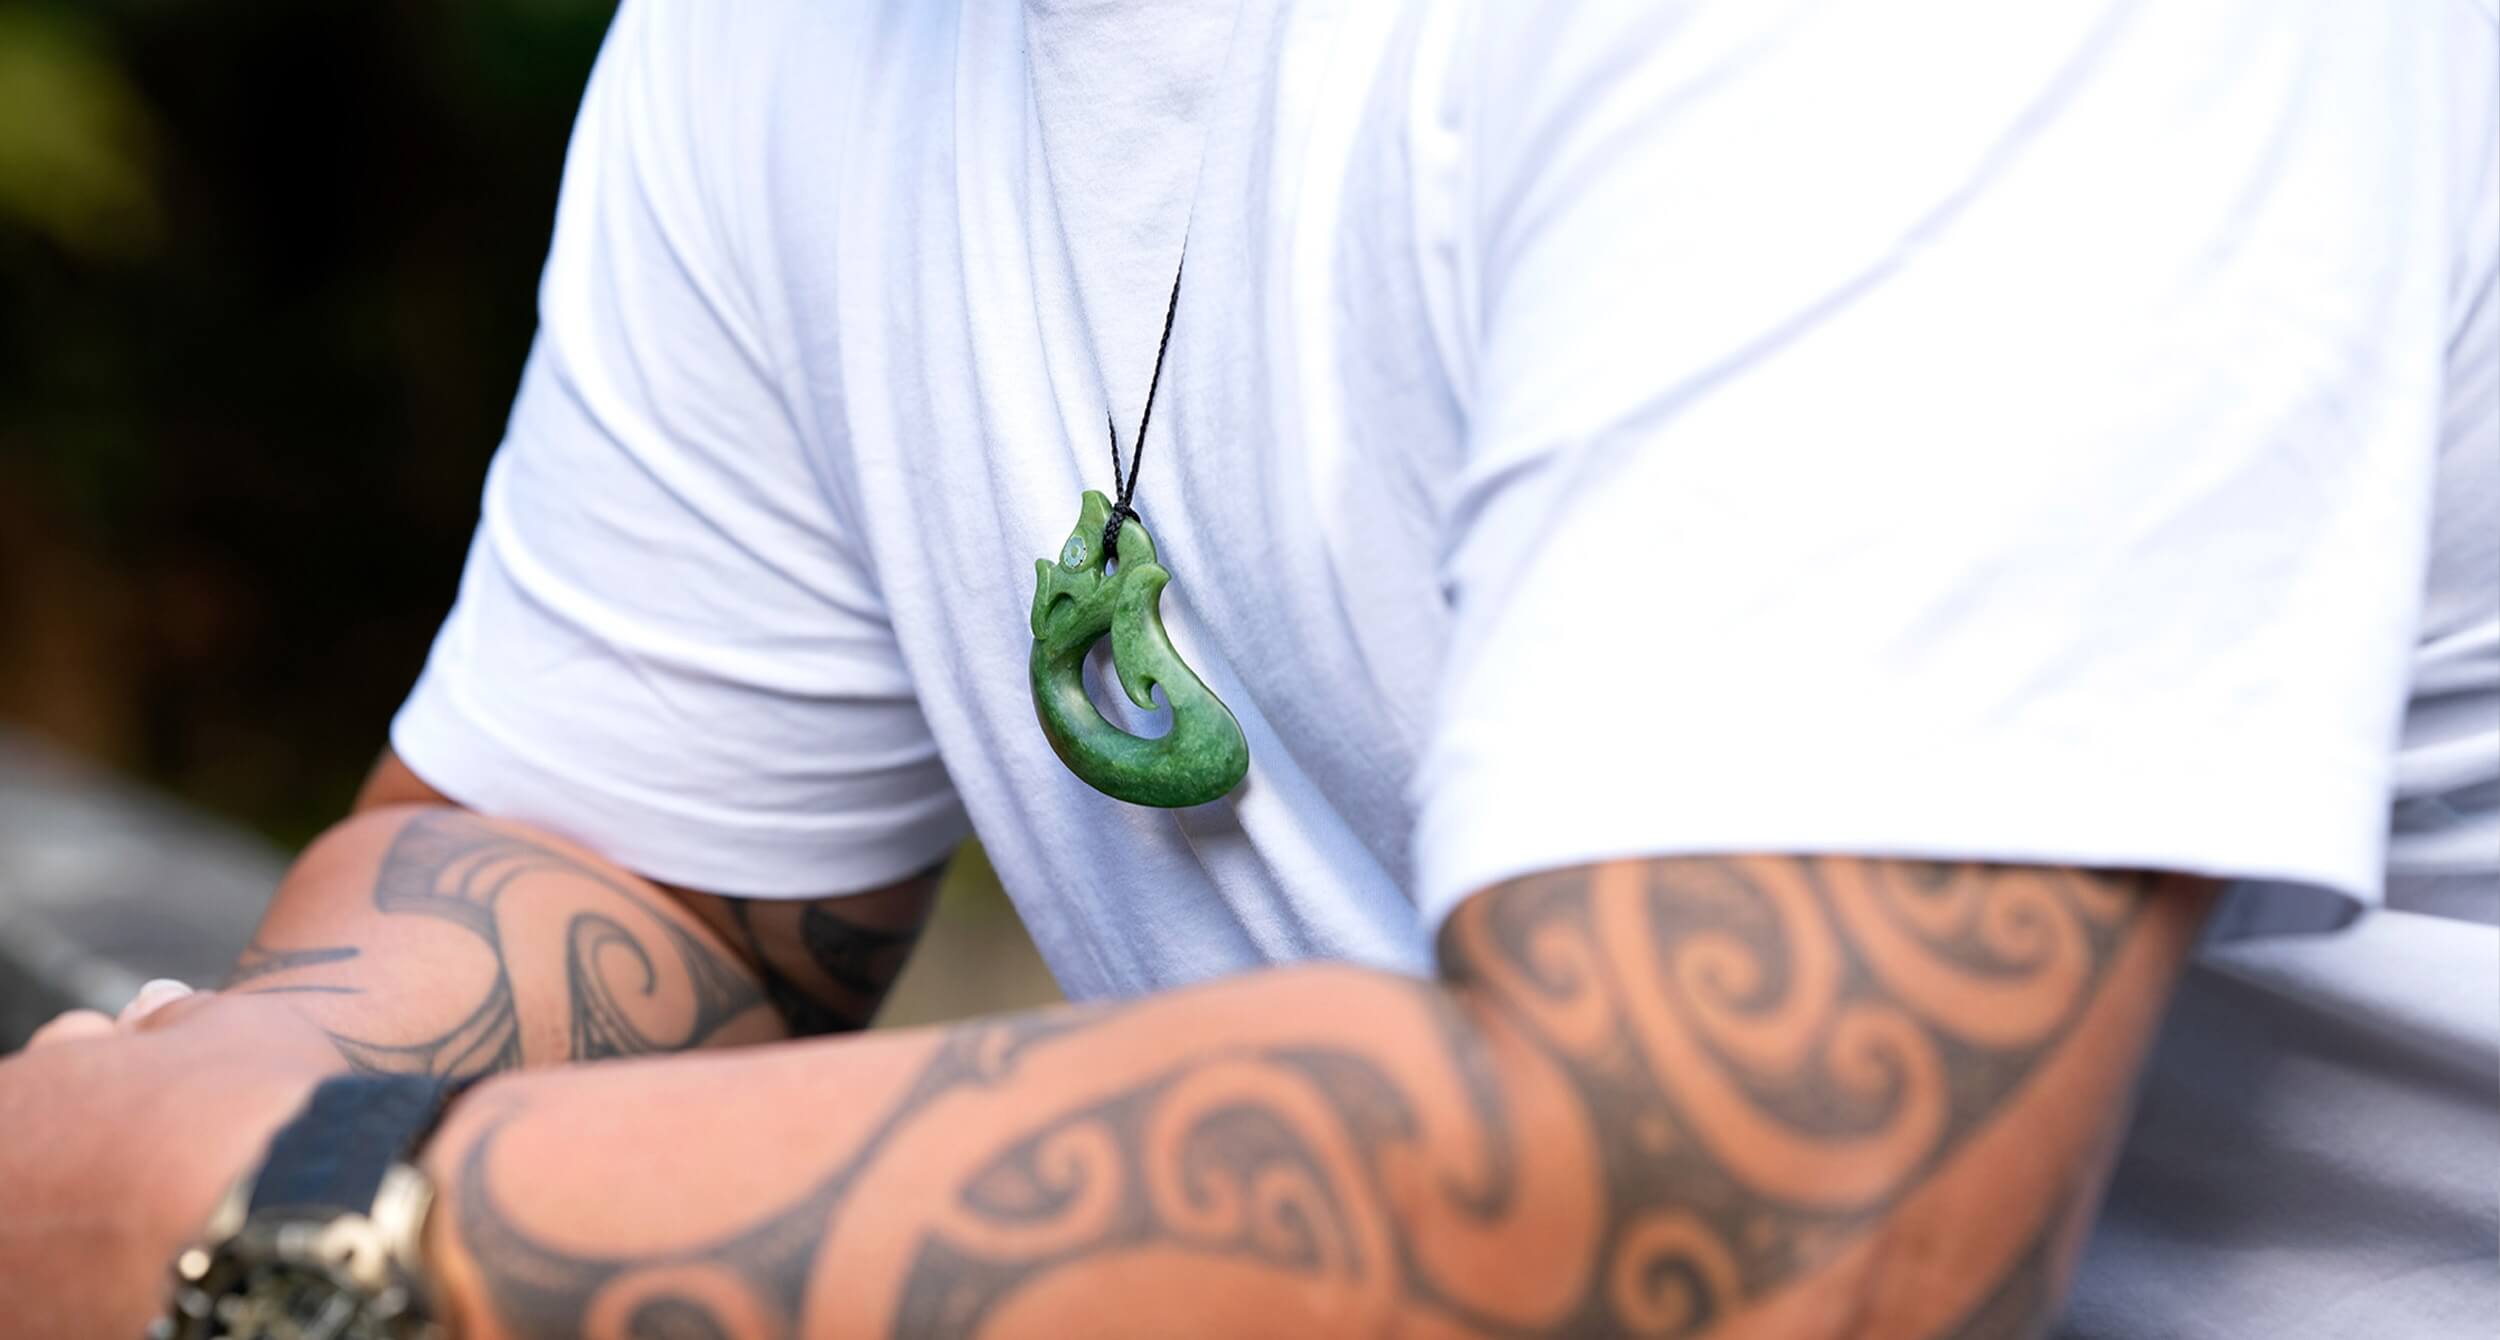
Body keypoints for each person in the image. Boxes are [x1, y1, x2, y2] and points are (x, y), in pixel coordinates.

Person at [3, 0, 2493, 1336]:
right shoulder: (788, 47)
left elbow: (1759, 1233)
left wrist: (315, 1229)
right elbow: (614, 857)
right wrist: (199, 1125)